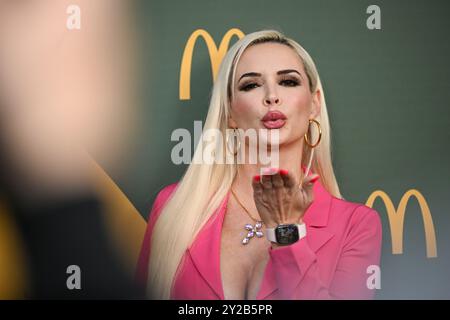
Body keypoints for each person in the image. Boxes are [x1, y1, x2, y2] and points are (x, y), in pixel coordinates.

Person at [136, 30, 382, 300]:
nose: (272, 96)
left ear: (314, 104)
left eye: (288, 81)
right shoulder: (174, 207)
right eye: (251, 85)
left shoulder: (356, 226)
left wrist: (285, 231)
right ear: (229, 112)